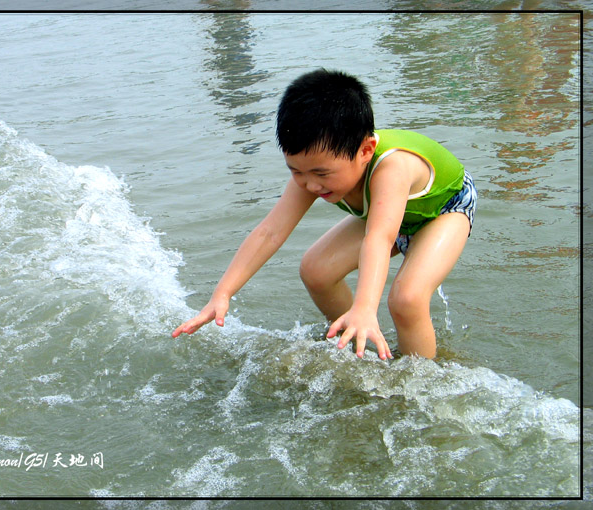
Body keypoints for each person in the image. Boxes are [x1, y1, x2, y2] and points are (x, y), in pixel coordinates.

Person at [172, 69, 477, 360]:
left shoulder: (391, 168)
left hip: (443, 211)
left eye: (321, 173)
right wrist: (222, 293)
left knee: (406, 299)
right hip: (385, 217)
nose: (310, 184)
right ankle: (360, 343)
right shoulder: (311, 172)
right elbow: (270, 231)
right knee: (316, 270)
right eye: (296, 171)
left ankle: (420, 382)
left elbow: (379, 239)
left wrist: (366, 304)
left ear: (366, 150)